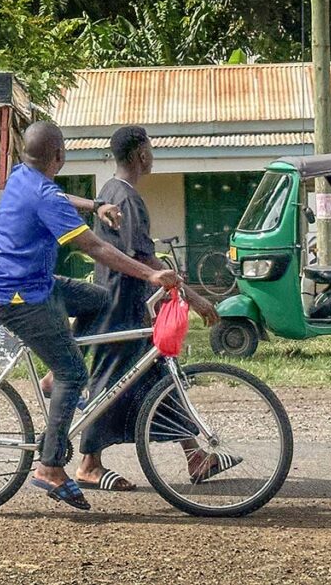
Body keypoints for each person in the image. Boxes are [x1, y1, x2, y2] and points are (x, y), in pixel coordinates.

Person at [0, 121, 179, 511]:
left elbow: (58, 195)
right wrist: (152, 274)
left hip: (30, 283)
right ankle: (50, 468)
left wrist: (95, 205)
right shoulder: (44, 196)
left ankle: (54, 375)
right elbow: (96, 249)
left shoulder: (24, 176)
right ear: (59, 156)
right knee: (76, 374)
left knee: (98, 299)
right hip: (17, 297)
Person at [75, 126, 237, 492]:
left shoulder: (110, 191)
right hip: (121, 304)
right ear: (140, 155)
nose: (153, 153)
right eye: (150, 147)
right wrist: (192, 297)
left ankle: (195, 454)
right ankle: (88, 464)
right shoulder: (127, 198)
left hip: (128, 301)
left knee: (159, 377)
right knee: (113, 382)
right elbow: (143, 255)